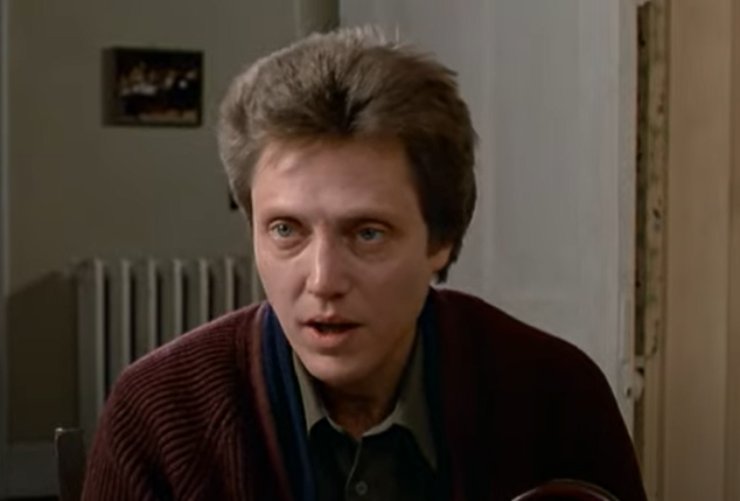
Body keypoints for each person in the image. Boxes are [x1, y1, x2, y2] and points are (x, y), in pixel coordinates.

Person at [81, 27, 647, 501]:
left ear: (441, 239)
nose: (323, 281)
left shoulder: (555, 395)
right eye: (286, 230)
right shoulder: (160, 413)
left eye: (368, 233)